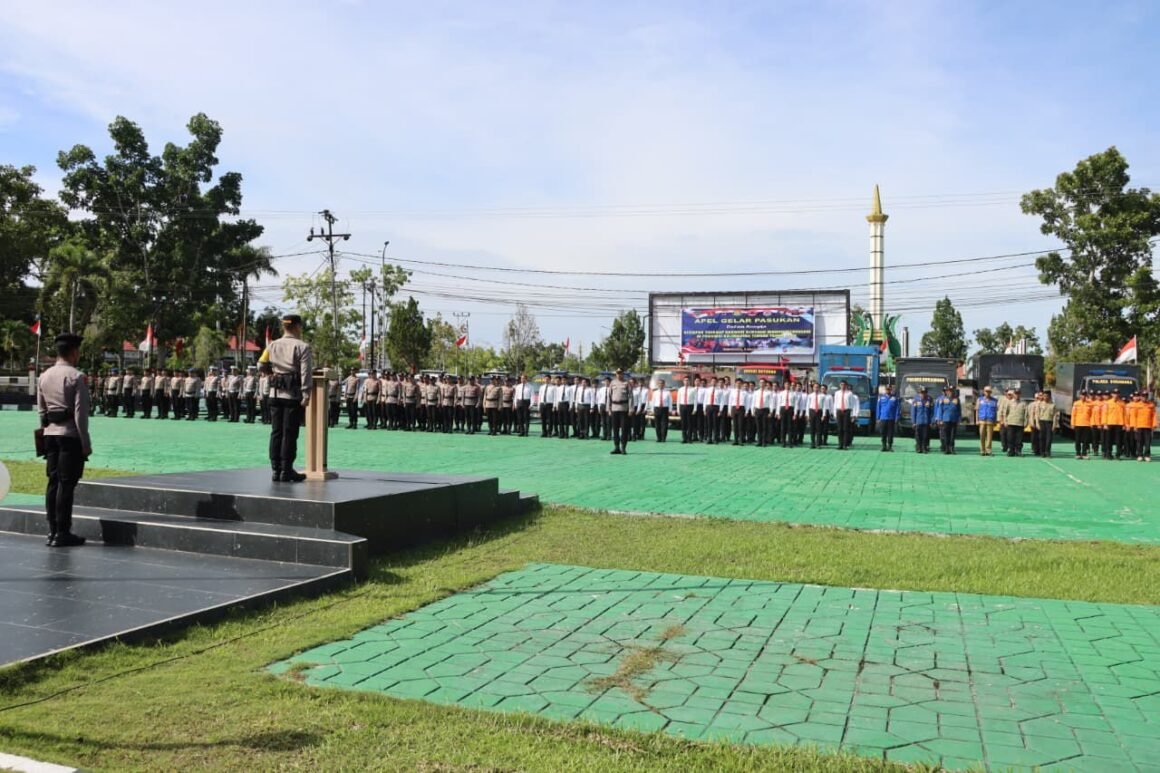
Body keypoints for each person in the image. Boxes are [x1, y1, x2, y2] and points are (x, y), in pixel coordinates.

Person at [38, 332, 92, 547]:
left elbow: (42, 411)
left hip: (50, 434)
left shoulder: (44, 376)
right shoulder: (77, 376)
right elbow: (80, 414)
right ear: (74, 352)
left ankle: (52, 530)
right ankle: (63, 531)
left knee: (52, 482)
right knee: (66, 484)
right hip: (69, 436)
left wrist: (44, 432)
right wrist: (85, 443)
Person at [265, 313, 312, 482]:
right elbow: (306, 373)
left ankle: (275, 470)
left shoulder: (272, 345)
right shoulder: (302, 346)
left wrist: (273, 375)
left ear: (284, 326)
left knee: (276, 432)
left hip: (275, 393)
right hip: (292, 395)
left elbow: (261, 364)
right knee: (290, 433)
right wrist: (306, 394)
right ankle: (286, 470)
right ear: (298, 326)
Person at [607, 368, 633, 454]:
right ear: (616, 374)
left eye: (620, 373)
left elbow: (630, 397)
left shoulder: (626, 383)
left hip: (624, 409)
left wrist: (631, 409)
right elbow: (609, 396)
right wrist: (609, 408)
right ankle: (616, 447)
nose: (619, 375)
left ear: (623, 374)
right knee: (615, 429)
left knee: (624, 429)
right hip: (614, 408)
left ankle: (623, 447)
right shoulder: (612, 383)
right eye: (618, 373)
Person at [934, 386, 960, 454]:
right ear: (947, 392)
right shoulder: (943, 399)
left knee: (952, 435)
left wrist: (959, 419)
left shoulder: (956, 399)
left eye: (951, 391)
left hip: (954, 420)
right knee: (946, 435)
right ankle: (947, 448)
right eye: (949, 391)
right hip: (945, 419)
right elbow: (940, 410)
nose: (950, 392)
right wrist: (940, 419)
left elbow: (959, 411)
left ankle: (952, 448)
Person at [833, 381, 859, 449]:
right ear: (839, 385)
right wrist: (834, 413)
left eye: (844, 385)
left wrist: (853, 414)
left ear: (846, 385)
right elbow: (835, 403)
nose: (843, 386)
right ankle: (840, 444)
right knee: (839, 429)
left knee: (845, 428)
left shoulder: (849, 393)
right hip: (839, 411)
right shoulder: (837, 393)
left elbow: (852, 404)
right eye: (841, 384)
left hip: (847, 411)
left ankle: (845, 445)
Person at [975, 386, 999, 456]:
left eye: (989, 391)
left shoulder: (994, 401)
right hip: (982, 420)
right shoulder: (979, 399)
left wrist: (995, 420)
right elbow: (977, 410)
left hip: (990, 420)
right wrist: (976, 420)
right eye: (986, 391)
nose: (987, 392)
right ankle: (982, 450)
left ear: (991, 392)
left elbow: (996, 411)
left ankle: (988, 450)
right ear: (984, 391)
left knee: (989, 436)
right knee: (982, 435)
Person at [1004, 389, 1028, 456]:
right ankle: (1011, 451)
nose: (1017, 395)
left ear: (1020, 394)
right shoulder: (1009, 402)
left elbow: (1026, 414)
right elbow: (1005, 413)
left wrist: (1026, 422)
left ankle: (1018, 451)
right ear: (1013, 394)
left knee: (1019, 439)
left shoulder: (1024, 403)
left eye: (1018, 393)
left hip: (1020, 423)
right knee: (1010, 438)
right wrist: (1005, 421)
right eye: (1016, 393)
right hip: (1011, 422)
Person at [876, 384, 900, 451]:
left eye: (889, 389)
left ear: (891, 390)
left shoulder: (895, 398)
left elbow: (897, 408)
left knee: (890, 433)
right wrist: (877, 417)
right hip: (883, 418)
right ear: (885, 390)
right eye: (887, 389)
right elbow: (878, 407)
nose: (888, 390)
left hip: (891, 418)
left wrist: (897, 417)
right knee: (883, 432)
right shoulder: (881, 398)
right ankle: (884, 446)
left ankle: (889, 446)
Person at [911, 387, 934, 453]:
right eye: (921, 393)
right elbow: (913, 411)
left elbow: (932, 412)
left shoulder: (929, 400)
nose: (923, 394)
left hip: (926, 421)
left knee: (925, 435)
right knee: (918, 435)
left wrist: (931, 421)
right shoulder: (916, 400)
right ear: (919, 393)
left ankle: (924, 447)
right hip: (918, 421)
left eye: (924, 393)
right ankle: (919, 447)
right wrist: (913, 422)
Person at [1036, 391, 1058, 457]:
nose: (1045, 397)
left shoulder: (1053, 405)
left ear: (1049, 397)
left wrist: (1054, 425)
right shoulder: (1040, 404)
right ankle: (1042, 452)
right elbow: (1037, 414)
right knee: (1042, 438)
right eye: (1044, 396)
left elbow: (1055, 415)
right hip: (1042, 421)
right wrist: (1037, 423)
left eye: (1047, 396)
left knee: (1049, 438)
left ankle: (1047, 451)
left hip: (1049, 422)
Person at [1072, 391, 1092, 459]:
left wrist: (1091, 423)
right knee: (1077, 439)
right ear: (1080, 396)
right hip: (1078, 424)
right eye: (1082, 395)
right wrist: (1072, 423)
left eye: (1084, 395)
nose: (1083, 396)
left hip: (1087, 424)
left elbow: (1091, 415)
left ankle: (1084, 453)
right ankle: (1078, 453)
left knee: (1085, 440)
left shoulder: (1089, 404)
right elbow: (1073, 414)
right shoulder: (1076, 403)